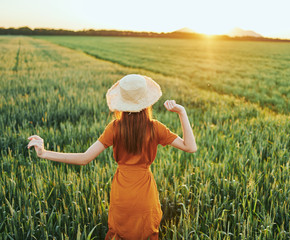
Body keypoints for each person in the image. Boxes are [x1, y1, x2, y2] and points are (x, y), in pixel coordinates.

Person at [27, 74, 197, 240]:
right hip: (145, 194)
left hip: (121, 193)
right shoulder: (155, 128)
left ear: (121, 101)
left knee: (120, 234)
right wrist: (181, 112)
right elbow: (191, 147)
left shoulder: (115, 128)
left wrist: (44, 153)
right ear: (146, 101)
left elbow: (84, 158)